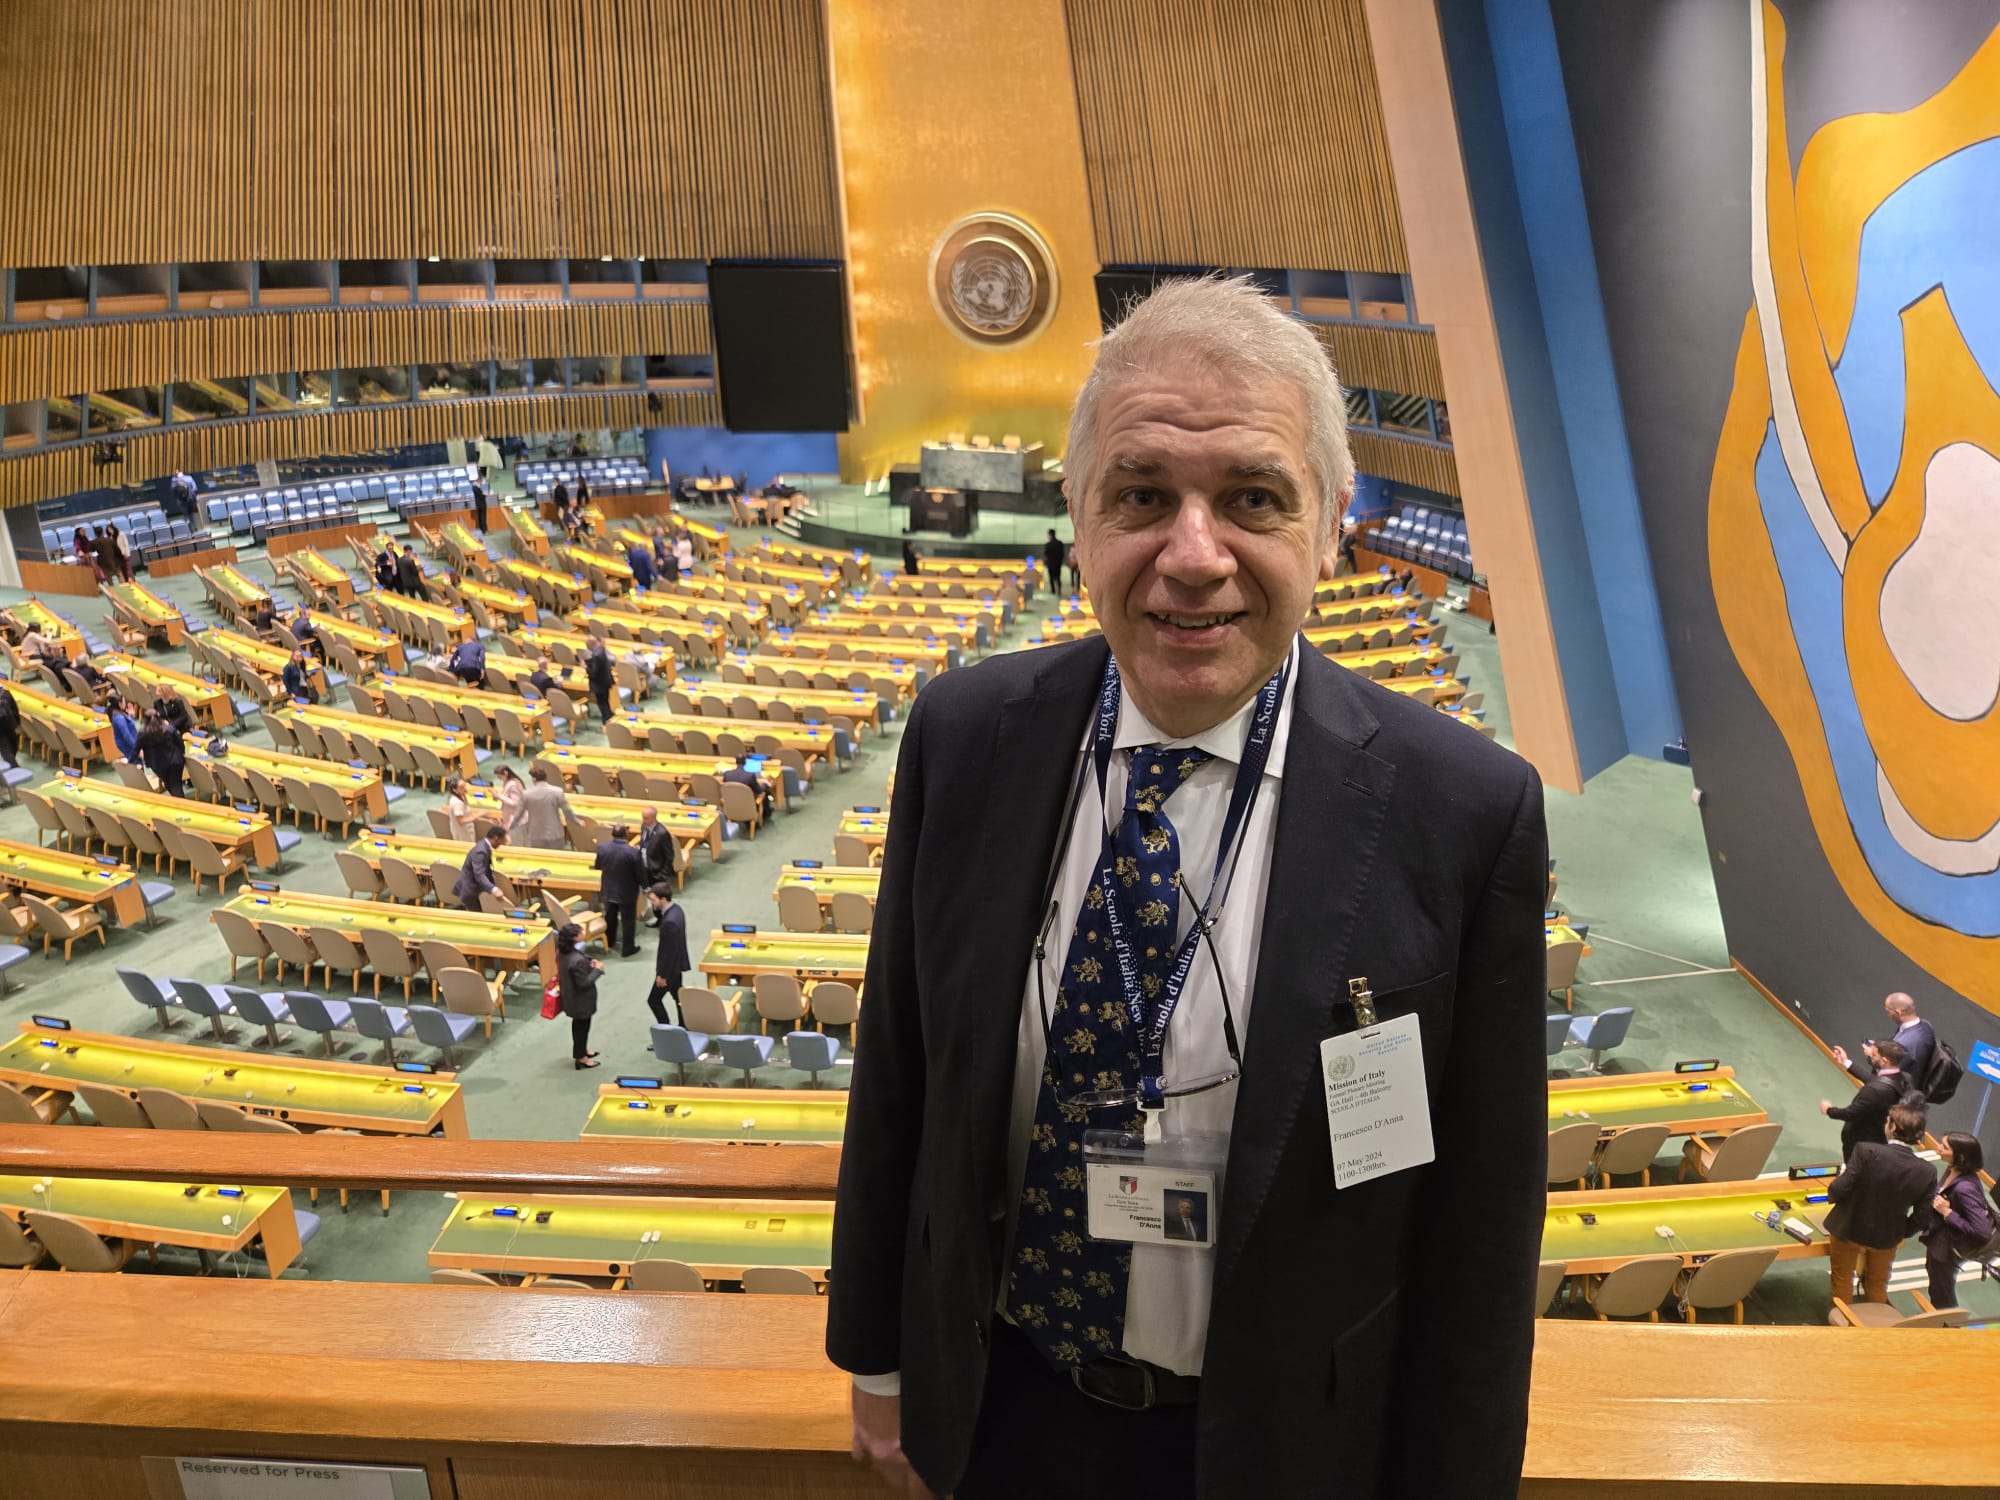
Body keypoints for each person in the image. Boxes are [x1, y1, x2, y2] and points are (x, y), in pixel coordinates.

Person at [827, 277, 1548, 1500]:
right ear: (1079, 515)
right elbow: (901, 1074)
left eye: (1253, 498)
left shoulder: (1462, 807)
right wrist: (878, 1362)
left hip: (1288, 1447)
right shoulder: (964, 735)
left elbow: (1478, 1228)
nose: (1193, 556)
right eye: (1142, 495)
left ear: (1329, 527)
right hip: (1000, 1403)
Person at [1825, 1098, 1936, 1307]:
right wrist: (1900, 1230)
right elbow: (1923, 1216)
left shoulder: (1866, 1151)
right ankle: (1876, 1321)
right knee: (1877, 1285)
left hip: (1849, 1228)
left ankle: (1843, 1320)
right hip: (1888, 1236)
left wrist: (1833, 1188)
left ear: (1892, 1127)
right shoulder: (1927, 1171)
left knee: (1842, 1280)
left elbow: (1841, 1188)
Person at [1920, 1134, 1995, 1310]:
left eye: (1945, 1147)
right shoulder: (1952, 1170)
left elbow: (1982, 1231)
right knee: (1937, 1285)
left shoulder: (1964, 1189)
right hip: (1939, 1241)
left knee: (1942, 1292)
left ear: (1960, 1157)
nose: (1938, 1147)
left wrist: (1947, 1213)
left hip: (1947, 1249)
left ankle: (1948, 1322)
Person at [1822, 1038, 1911, 1160]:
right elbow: (1875, 1079)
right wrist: (1845, 1062)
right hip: (1879, 1137)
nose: (1871, 1056)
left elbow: (1850, 1113)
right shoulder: (1904, 1078)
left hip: (1861, 1141)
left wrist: (1829, 1110)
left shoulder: (1874, 1090)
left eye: (1873, 1055)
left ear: (1884, 1060)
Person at [1832, 992, 1936, 1092]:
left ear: (1898, 1012)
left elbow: (1882, 1079)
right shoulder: (1926, 1026)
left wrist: (1871, 1055)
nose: (1888, 1015)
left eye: (1888, 1012)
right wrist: (1879, 1048)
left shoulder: (1903, 1044)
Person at [593, 824, 646, 957]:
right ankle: (628, 948)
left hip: (608, 890)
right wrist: (646, 886)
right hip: (627, 891)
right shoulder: (633, 852)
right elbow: (640, 874)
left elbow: (597, 866)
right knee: (628, 921)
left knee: (610, 917)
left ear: (612, 834)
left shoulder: (602, 847)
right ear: (626, 834)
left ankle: (610, 941)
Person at [554, 923, 602, 1070]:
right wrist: (598, 970)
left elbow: (580, 958)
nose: (583, 933)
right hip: (581, 1001)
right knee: (582, 1028)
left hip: (571, 997)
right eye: (580, 932)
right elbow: (584, 983)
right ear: (574, 938)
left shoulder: (563, 952)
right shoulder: (576, 960)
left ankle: (582, 1050)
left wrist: (589, 961)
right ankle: (581, 1058)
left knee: (579, 1026)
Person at [643, 882, 688, 1025]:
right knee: (679, 998)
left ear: (663, 899)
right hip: (677, 966)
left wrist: (662, 975)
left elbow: (669, 952)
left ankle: (666, 1031)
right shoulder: (677, 910)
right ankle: (684, 1026)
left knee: (654, 1001)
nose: (651, 903)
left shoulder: (669, 922)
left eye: (653, 900)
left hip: (669, 970)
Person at [515, 764, 575, 850]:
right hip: (555, 833)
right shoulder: (558, 791)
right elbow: (567, 810)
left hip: (536, 834)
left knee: (537, 856)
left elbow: (519, 813)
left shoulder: (527, 794)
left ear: (534, 779)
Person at [450, 821, 505, 912]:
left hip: (475, 889)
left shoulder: (484, 846)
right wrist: (494, 889)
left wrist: (493, 886)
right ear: (496, 838)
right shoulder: (480, 851)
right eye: (501, 840)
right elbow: (479, 875)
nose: (501, 843)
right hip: (469, 890)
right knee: (477, 915)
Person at [136, 710, 186, 797]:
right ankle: (181, 803)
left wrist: (130, 762)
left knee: (169, 785)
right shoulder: (169, 729)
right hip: (175, 762)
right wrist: (182, 753)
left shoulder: (142, 733)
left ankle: (178, 801)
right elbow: (180, 743)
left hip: (157, 765)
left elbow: (137, 749)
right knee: (176, 786)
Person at [636, 804, 676, 893]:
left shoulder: (662, 833)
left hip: (657, 873)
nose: (643, 820)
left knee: (657, 897)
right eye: (643, 817)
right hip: (644, 869)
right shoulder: (643, 827)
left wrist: (662, 875)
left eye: (646, 818)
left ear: (653, 818)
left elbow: (669, 856)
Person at [724, 754, 774, 822]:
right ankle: (766, 815)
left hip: (732, 802)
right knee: (764, 793)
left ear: (736, 762)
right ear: (745, 762)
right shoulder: (750, 776)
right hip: (748, 803)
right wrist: (765, 784)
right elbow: (759, 791)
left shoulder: (727, 774)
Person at [584, 635, 616, 724]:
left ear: (590, 644)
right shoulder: (601, 649)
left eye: (587, 645)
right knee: (606, 700)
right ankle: (610, 715)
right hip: (606, 680)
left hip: (599, 684)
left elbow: (593, 672)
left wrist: (586, 667)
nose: (586, 647)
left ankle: (606, 720)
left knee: (602, 703)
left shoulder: (596, 655)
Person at [494, 764, 526, 834]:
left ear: (506, 773)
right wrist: (498, 796)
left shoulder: (513, 785)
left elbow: (515, 803)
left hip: (515, 817)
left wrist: (499, 796)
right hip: (510, 815)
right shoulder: (508, 782)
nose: (499, 779)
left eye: (500, 777)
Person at [107, 694, 139, 763]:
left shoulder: (119, 712)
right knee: (136, 763)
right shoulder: (119, 718)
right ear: (119, 704)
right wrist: (136, 748)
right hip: (127, 744)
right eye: (124, 702)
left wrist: (131, 715)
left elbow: (129, 724)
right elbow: (126, 736)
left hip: (130, 741)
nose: (125, 703)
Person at [443, 777, 476, 843]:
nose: (465, 788)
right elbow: (461, 821)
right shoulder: (457, 803)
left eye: (465, 785)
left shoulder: (461, 795)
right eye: (462, 787)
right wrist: (477, 816)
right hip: (463, 831)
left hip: (466, 828)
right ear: (455, 790)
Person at [1041, 527, 1066, 597]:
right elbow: (1062, 554)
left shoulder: (1048, 544)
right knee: (1058, 577)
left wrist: (1046, 562)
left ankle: (1053, 590)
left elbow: (1045, 554)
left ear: (1050, 535)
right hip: (1058, 563)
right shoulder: (1060, 543)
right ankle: (1059, 590)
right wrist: (1060, 561)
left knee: (1051, 578)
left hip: (1050, 564)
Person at [0, 683, 19, 771]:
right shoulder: (6, 695)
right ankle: (15, 768)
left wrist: (17, 722)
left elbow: (14, 708)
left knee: (14, 745)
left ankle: (11, 763)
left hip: (9, 725)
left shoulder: (6, 695)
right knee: (5, 748)